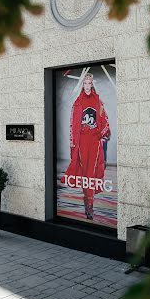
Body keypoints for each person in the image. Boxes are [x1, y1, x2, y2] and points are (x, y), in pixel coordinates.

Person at [62, 73, 111, 220]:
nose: (87, 86)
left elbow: (106, 122)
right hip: (82, 142)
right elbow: (72, 125)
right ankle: (88, 204)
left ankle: (90, 205)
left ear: (92, 85)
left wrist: (100, 133)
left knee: (92, 172)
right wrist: (73, 144)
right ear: (83, 85)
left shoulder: (98, 102)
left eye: (89, 83)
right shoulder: (77, 103)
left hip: (94, 142)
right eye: (85, 83)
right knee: (85, 173)